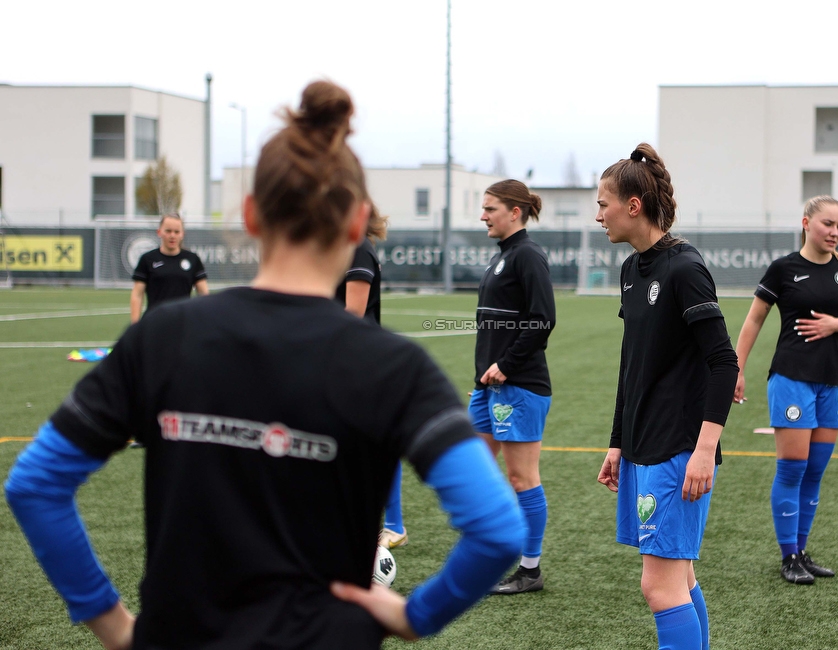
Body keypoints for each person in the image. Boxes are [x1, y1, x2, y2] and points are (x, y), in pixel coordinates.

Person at [5, 80, 524, 650]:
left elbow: (35, 485)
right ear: (356, 224)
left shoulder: (163, 337)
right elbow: (497, 530)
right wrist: (416, 615)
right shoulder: (393, 366)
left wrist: (113, 624)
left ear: (251, 215)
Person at [595, 143, 739, 650]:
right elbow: (633, 364)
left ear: (633, 205)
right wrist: (619, 442)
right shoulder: (631, 271)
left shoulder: (685, 268)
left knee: (659, 587)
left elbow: (724, 362)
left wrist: (704, 450)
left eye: (603, 203)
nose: (598, 215)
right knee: (680, 581)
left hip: (678, 447)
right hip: (643, 444)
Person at [733, 195, 838, 585]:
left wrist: (835, 325)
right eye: (827, 224)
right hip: (791, 378)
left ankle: (802, 549)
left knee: (815, 472)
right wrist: (737, 369)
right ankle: (787, 556)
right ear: (806, 223)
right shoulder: (783, 269)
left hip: (832, 381)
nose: (834, 232)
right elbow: (753, 321)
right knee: (793, 469)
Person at [469, 179, 556, 595]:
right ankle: (489, 551)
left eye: (490, 208)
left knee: (522, 478)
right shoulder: (501, 257)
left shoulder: (528, 255)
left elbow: (543, 319)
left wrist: (506, 364)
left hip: (518, 386)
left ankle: (530, 570)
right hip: (486, 387)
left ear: (514, 212)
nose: (483, 215)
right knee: (473, 467)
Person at [335, 206, 407, 548]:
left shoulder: (358, 247)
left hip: (357, 362)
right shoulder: (339, 248)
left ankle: (392, 524)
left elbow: (353, 313)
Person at [129, 213, 208, 323]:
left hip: (183, 323)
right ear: (159, 232)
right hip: (154, 322)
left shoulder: (192, 259)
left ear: (182, 234)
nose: (172, 235)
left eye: (176, 232)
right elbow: (137, 294)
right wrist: (135, 325)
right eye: (168, 231)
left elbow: (203, 294)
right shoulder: (148, 259)